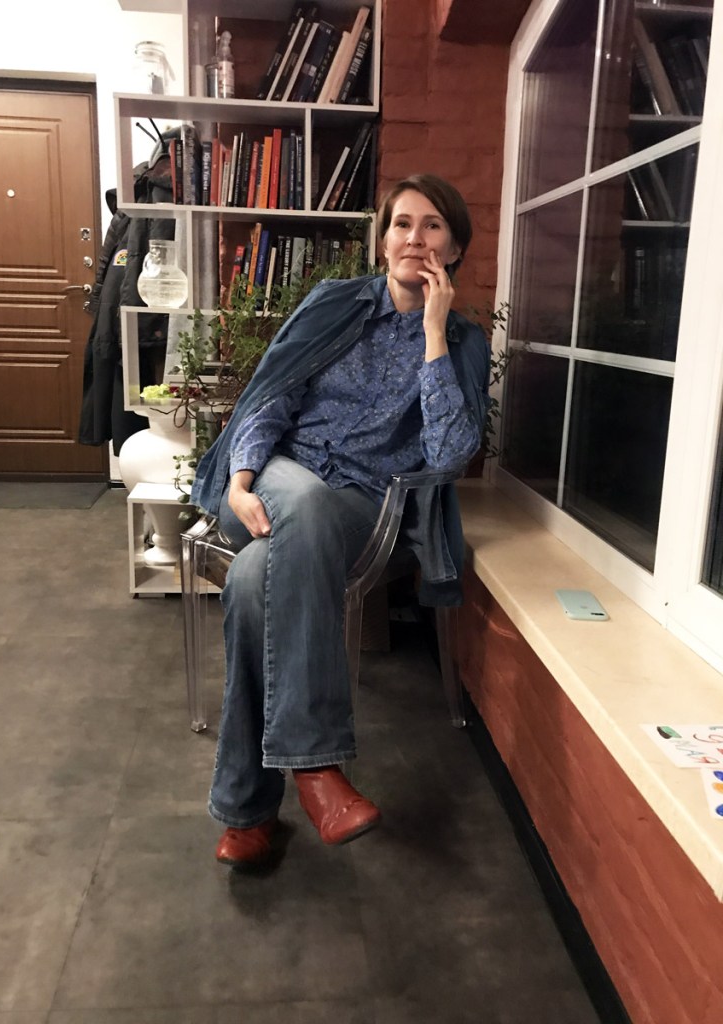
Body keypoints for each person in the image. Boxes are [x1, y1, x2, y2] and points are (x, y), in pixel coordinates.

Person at [190, 174, 491, 868]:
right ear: (382, 241)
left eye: (433, 226)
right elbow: (271, 396)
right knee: (304, 502)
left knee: (251, 584)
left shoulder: (464, 342)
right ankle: (317, 769)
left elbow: (449, 455)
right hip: (271, 482)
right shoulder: (334, 304)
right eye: (402, 224)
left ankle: (247, 809)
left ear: (455, 248)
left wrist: (434, 334)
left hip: (364, 509)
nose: (415, 237)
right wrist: (241, 479)